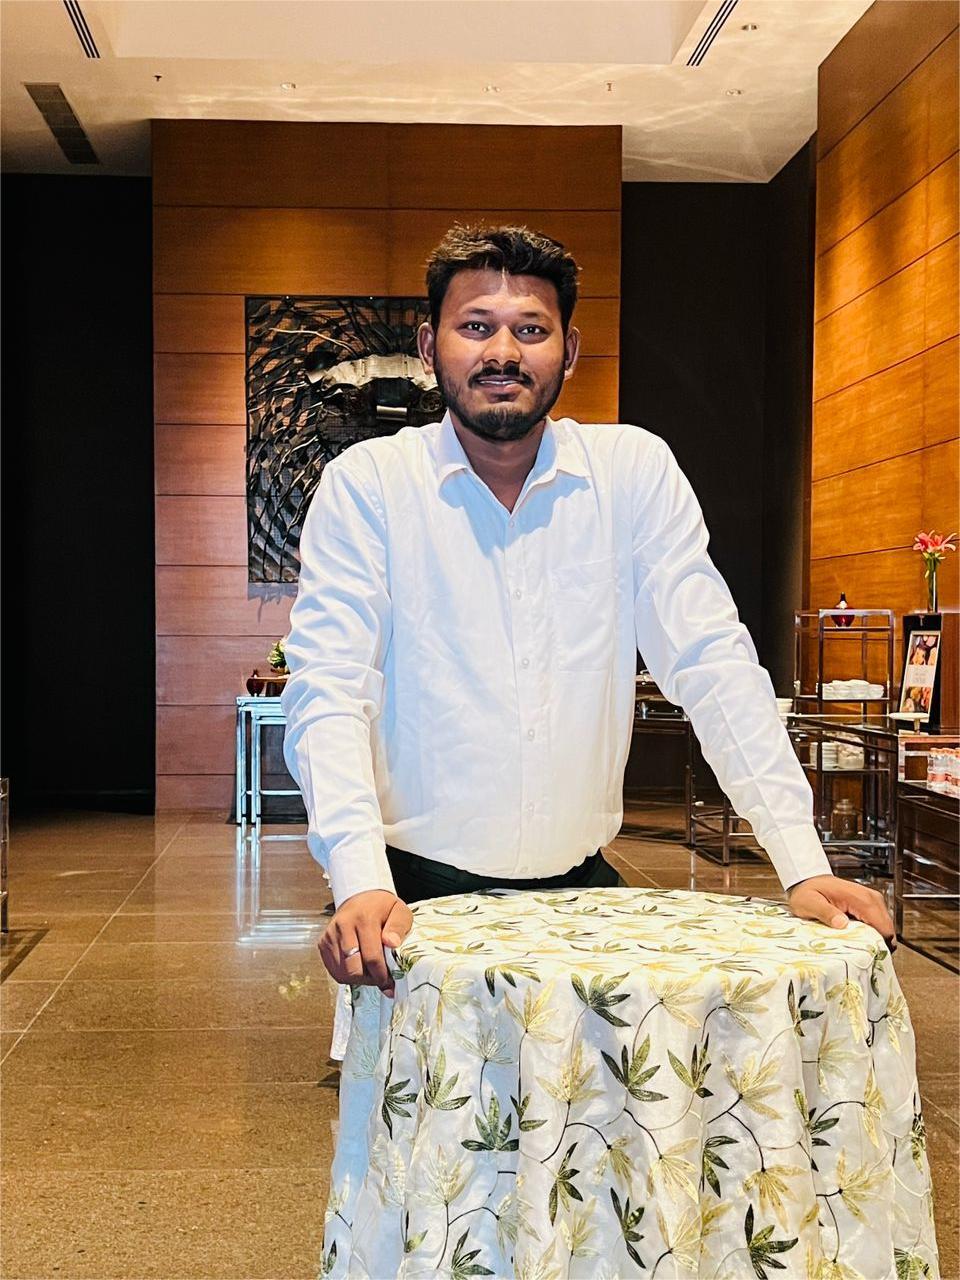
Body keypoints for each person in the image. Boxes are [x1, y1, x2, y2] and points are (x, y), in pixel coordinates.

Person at [282, 224, 895, 999]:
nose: (502, 352)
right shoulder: (369, 484)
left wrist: (803, 863)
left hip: (587, 898)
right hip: (411, 903)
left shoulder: (631, 473)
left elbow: (713, 665)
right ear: (430, 345)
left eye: (530, 330)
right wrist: (359, 877)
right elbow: (331, 689)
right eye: (475, 326)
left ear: (568, 351)